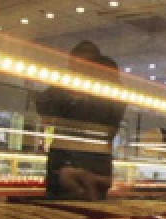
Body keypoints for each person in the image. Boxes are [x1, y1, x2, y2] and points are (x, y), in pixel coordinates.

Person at [36, 40, 126, 201]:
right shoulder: (67, 86)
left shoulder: (103, 92)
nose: (77, 68)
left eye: (82, 64)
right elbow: (44, 108)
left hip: (74, 168)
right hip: (73, 167)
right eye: (74, 64)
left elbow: (44, 108)